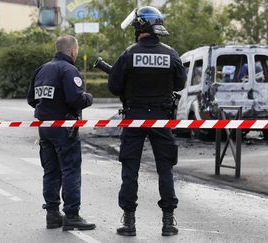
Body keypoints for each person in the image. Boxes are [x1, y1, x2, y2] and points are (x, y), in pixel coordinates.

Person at [108, 6, 186, 237]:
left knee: (130, 169)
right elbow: (180, 84)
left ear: (140, 26)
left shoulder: (128, 54)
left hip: (134, 118)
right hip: (162, 119)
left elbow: (114, 86)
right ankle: (168, 222)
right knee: (165, 169)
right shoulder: (171, 54)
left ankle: (130, 223)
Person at [27, 35, 95, 231]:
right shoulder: (68, 69)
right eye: (77, 50)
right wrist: (88, 97)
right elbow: (76, 99)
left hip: (45, 128)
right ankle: (72, 215)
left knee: (51, 172)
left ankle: (52, 215)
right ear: (72, 51)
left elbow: (32, 99)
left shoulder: (41, 69)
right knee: (70, 171)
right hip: (64, 128)